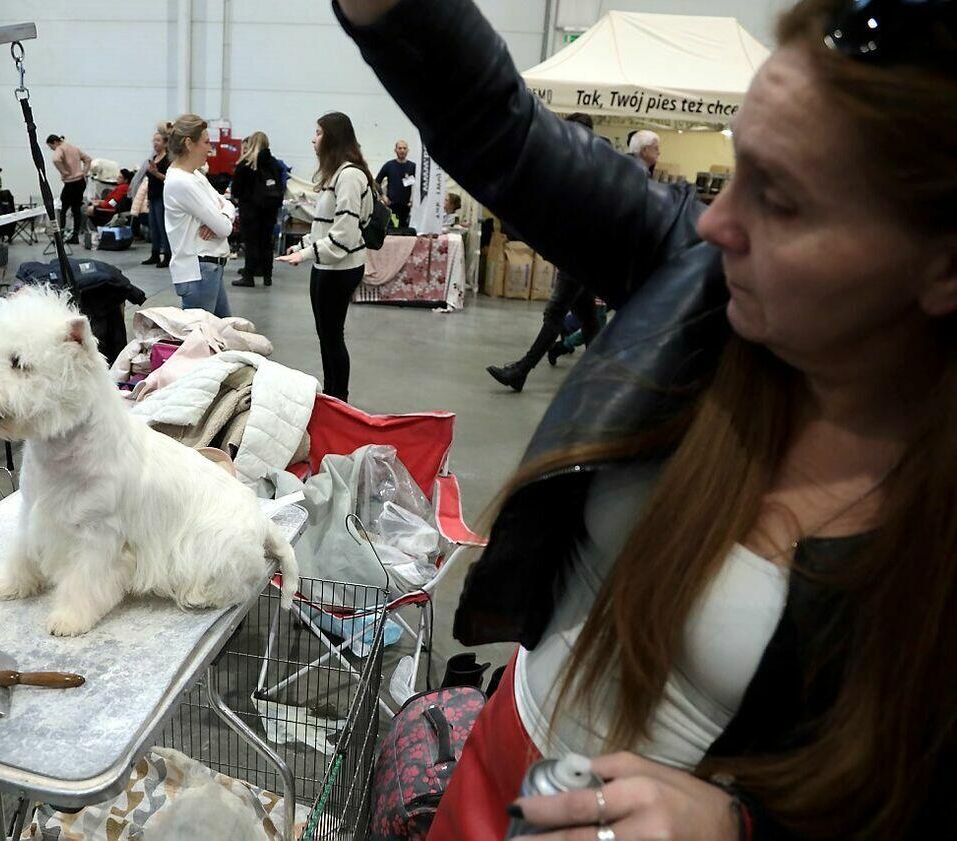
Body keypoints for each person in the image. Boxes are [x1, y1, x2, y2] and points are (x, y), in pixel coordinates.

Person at [337, 0, 957, 838]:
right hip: (500, 757)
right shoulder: (699, 284)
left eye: (781, 201)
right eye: (737, 169)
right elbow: (503, 129)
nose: (716, 222)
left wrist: (740, 827)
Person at [487, 113, 604, 392]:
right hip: (580, 251)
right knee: (588, 318)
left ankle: (521, 371)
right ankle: (601, 374)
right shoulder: (588, 163)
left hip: (578, 252)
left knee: (555, 314)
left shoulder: (585, 165)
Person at [276, 112, 375, 402]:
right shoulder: (338, 174)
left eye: (318, 133)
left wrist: (306, 253)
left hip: (340, 268)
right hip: (326, 266)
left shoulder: (350, 176)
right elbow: (325, 226)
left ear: (333, 137)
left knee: (332, 336)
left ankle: (339, 399)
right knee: (327, 335)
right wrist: (302, 246)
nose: (313, 139)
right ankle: (332, 396)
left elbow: (343, 236)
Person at [162, 114, 236, 317]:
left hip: (208, 269)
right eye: (206, 142)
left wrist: (223, 213)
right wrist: (220, 219)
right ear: (189, 144)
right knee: (202, 335)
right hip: (199, 271)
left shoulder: (194, 176)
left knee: (220, 331)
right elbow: (224, 228)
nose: (209, 149)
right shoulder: (182, 182)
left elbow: (227, 204)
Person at [231, 131, 283, 288]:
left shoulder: (246, 164)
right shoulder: (274, 163)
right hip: (270, 209)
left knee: (251, 242)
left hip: (250, 209)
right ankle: (267, 276)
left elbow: (236, 189)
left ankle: (248, 275)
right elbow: (281, 186)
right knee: (266, 242)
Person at [45, 133, 92, 244]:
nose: (52, 149)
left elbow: (56, 160)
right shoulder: (73, 148)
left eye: (51, 147)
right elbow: (88, 159)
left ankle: (60, 235)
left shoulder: (60, 148)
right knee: (76, 209)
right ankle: (75, 235)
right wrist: (84, 172)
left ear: (55, 142)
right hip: (80, 181)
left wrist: (63, 171)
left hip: (70, 183)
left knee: (63, 209)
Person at [143, 125, 172, 267]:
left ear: (165, 143)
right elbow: (150, 181)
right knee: (153, 227)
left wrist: (156, 173)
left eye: (158, 140)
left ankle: (167, 254)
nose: (155, 143)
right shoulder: (154, 158)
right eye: (154, 140)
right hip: (153, 196)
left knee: (162, 227)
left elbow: (169, 179)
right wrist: (148, 198)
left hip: (162, 197)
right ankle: (155, 253)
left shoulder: (168, 160)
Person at [375, 139, 416, 229]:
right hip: (391, 206)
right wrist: (383, 196)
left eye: (404, 148)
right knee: (390, 230)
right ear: (395, 150)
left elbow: (420, 185)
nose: (402, 150)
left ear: (408, 150)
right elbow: (376, 182)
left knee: (404, 231)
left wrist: (414, 200)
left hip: (406, 207)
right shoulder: (389, 165)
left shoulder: (413, 166)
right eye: (400, 148)